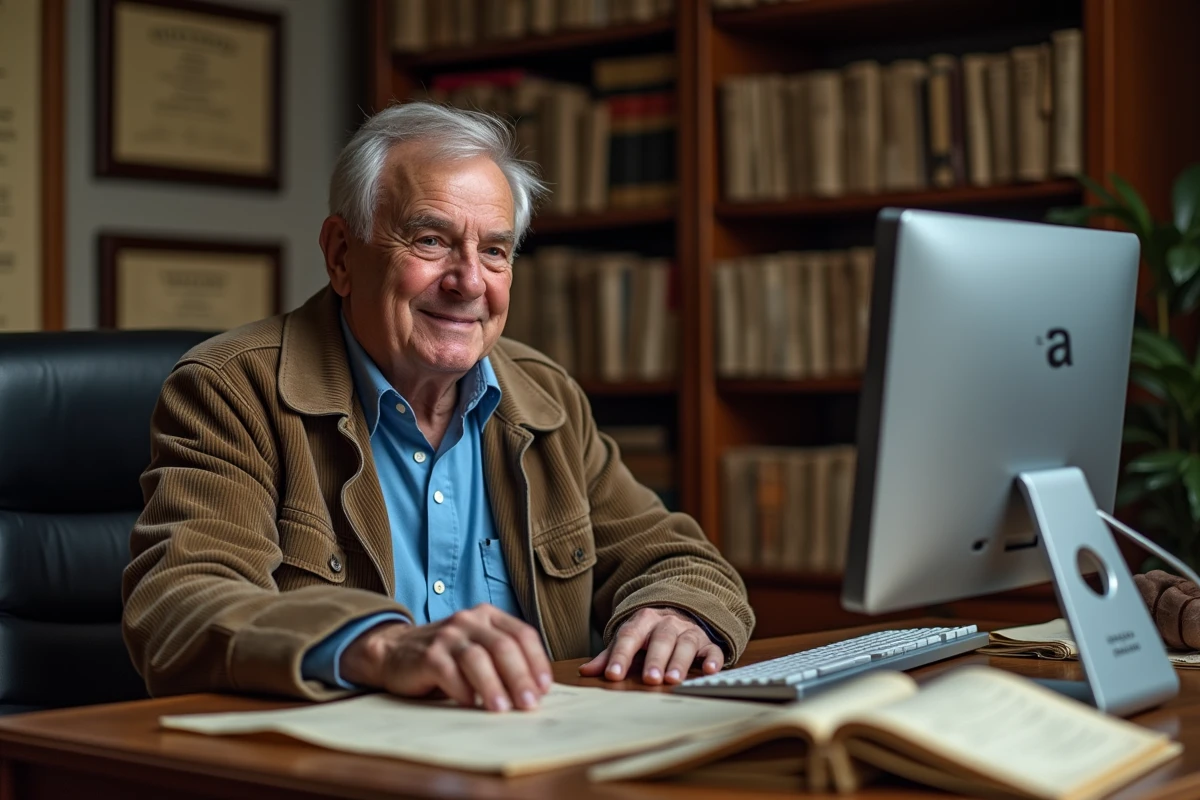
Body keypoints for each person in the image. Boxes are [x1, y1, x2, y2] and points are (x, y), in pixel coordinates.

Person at [122, 102, 754, 712]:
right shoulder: (233, 390)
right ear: (342, 255)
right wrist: (381, 646)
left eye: (495, 251)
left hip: (542, 757)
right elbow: (180, 604)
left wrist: (679, 611)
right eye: (431, 241)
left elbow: (675, 556)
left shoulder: (545, 397)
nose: (469, 281)